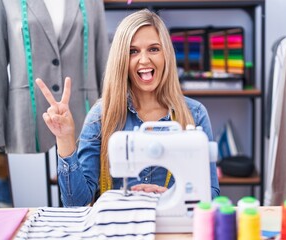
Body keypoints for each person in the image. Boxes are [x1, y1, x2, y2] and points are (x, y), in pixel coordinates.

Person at [36, 9, 220, 207]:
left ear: (166, 54)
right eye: (133, 51)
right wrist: (64, 139)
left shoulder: (195, 114)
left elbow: (210, 192)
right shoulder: (101, 117)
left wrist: (172, 196)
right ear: (121, 59)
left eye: (154, 49)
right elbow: (76, 204)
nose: (144, 60)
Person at [0, 0, 109, 207]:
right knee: (29, 210)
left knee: (81, 201)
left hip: (83, 112)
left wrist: (112, 117)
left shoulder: (92, 2)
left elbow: (103, 57)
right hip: (28, 116)